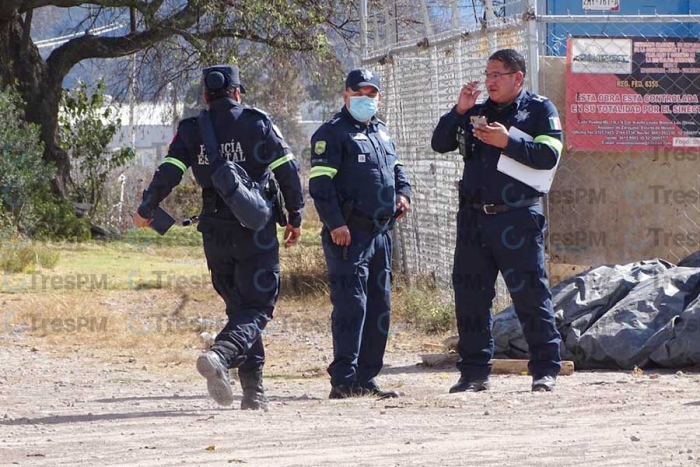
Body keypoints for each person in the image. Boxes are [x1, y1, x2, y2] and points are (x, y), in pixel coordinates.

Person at [133, 65, 304, 409]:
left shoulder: (193, 129)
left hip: (214, 233)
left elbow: (170, 171)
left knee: (240, 309)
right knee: (256, 309)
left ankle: (254, 393)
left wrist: (148, 205)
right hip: (254, 232)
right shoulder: (257, 122)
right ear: (238, 93)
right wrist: (295, 216)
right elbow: (288, 171)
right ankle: (222, 356)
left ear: (206, 96)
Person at [431, 49, 563, 393]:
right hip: (474, 218)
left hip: (517, 217)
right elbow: (439, 142)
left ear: (517, 78)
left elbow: (549, 155)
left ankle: (545, 370)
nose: (489, 81)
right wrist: (458, 110)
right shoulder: (476, 112)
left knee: (531, 295)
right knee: (471, 296)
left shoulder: (539, 110)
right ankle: (474, 372)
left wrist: (509, 141)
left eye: (497, 75)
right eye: (487, 75)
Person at [309, 68, 412, 399]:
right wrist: (335, 222)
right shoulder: (332, 133)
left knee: (380, 307)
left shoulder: (381, 132)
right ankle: (343, 379)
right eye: (359, 93)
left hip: (381, 233)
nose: (366, 99)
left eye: (372, 94)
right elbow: (321, 184)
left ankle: (367, 377)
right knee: (351, 306)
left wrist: (403, 194)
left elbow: (396, 170)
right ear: (345, 95)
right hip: (349, 235)